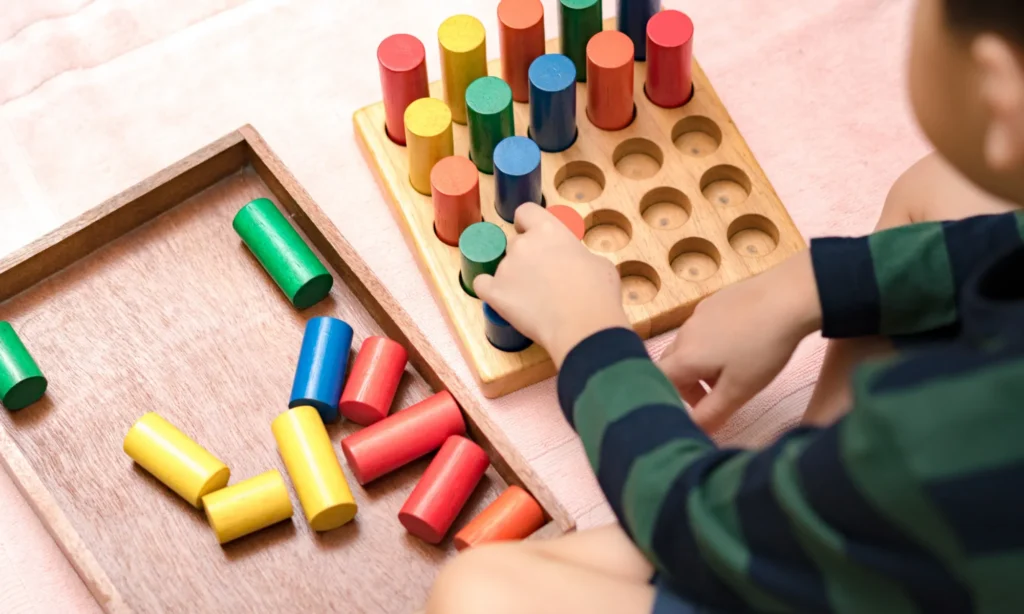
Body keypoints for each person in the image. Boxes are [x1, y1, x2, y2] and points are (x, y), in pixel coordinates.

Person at [426, 0, 1024, 612]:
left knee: (476, 592)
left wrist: (586, 333)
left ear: (998, 85)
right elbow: (998, 241)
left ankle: (805, 496)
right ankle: (809, 475)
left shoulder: (948, 438)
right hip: (932, 520)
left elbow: (690, 522)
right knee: (945, 187)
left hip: (894, 534)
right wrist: (803, 286)